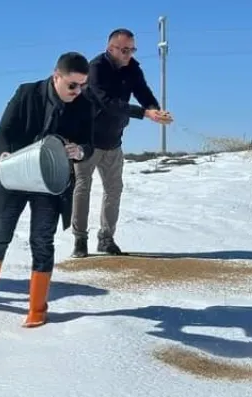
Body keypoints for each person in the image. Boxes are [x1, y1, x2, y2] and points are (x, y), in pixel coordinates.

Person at [0, 52, 96, 328]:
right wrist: (5, 156)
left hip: (50, 182)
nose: (78, 91)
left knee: (42, 240)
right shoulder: (27, 93)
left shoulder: (83, 105)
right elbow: (2, 131)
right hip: (15, 174)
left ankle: (37, 307)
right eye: (72, 85)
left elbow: (89, 143)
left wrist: (79, 150)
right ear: (56, 76)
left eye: (83, 85)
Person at [71, 28, 173, 258]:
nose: (129, 54)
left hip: (113, 140)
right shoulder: (95, 68)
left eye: (132, 49)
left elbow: (142, 92)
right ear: (111, 49)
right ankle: (80, 239)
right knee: (82, 189)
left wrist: (155, 109)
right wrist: (145, 114)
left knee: (114, 190)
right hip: (86, 141)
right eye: (125, 50)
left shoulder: (133, 68)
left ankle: (106, 238)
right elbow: (108, 103)